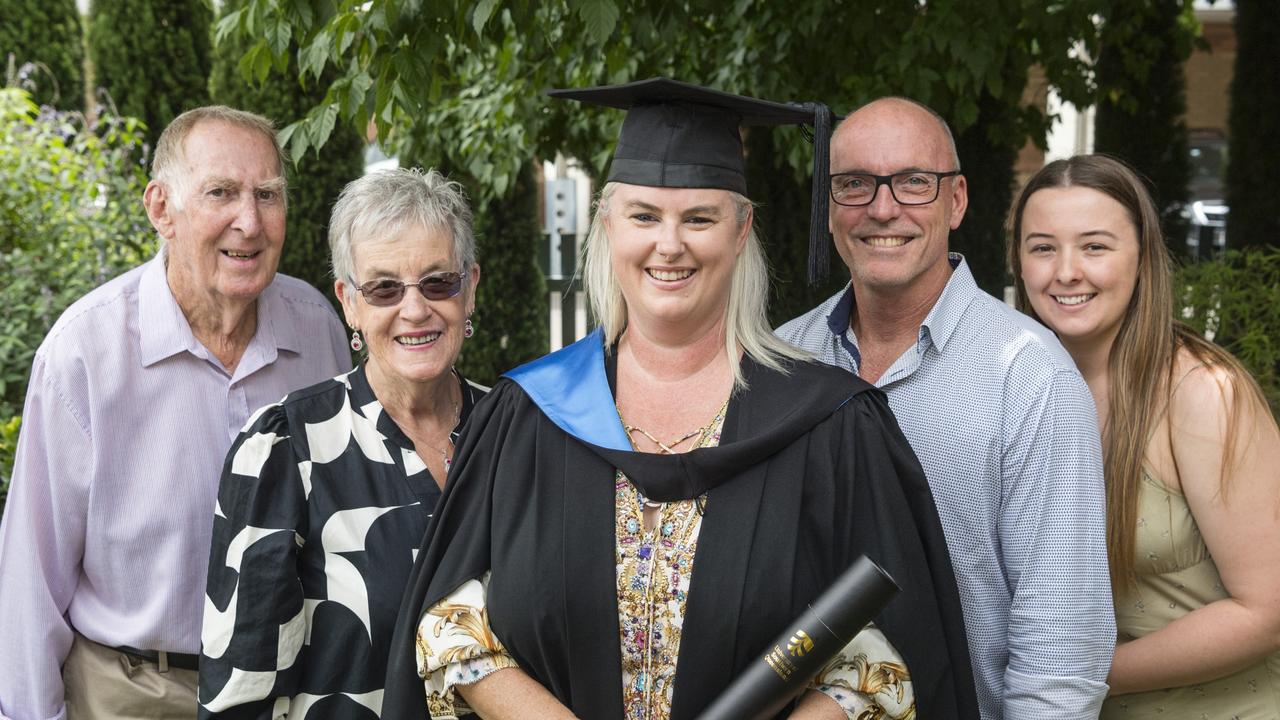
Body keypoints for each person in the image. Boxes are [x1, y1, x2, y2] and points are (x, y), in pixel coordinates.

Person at [382, 78, 978, 720]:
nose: (669, 245)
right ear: (608, 225)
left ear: (742, 227)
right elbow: (447, 625)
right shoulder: (529, 412)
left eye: (699, 217)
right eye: (643, 216)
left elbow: (891, 655)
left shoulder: (829, 425)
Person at [0, 106, 351, 719]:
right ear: (161, 209)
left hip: (285, 689)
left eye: (268, 194)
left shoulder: (317, 330)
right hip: (134, 691)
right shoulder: (86, 351)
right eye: (221, 192)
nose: (250, 221)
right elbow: (31, 577)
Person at [776, 97, 1114, 719]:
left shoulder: (1028, 376)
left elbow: (1060, 653)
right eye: (855, 184)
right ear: (828, 205)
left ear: (956, 201)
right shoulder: (782, 362)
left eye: (913, 183)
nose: (883, 207)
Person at [197, 168, 487, 718]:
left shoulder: (516, 434)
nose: (415, 308)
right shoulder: (287, 449)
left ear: (470, 286)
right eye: (383, 288)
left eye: (438, 282)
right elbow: (240, 695)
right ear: (349, 304)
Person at [1008, 154, 1280, 719]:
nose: (1066, 272)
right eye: (1042, 247)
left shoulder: (1204, 392)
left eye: (1095, 246)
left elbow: (1268, 608)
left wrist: (1070, 675)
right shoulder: (1011, 394)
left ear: (1143, 258)